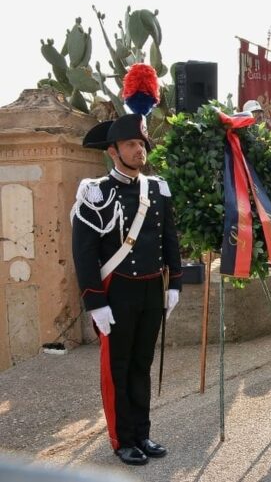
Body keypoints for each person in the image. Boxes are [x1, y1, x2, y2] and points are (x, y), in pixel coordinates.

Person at [72, 113, 182, 466]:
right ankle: (123, 439)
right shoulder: (95, 192)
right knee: (117, 368)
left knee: (141, 364)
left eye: (142, 143)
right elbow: (84, 251)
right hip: (116, 292)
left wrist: (174, 282)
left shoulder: (157, 188)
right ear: (113, 151)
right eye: (131, 144)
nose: (140, 150)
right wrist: (95, 301)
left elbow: (170, 239)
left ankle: (143, 433)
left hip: (151, 290)